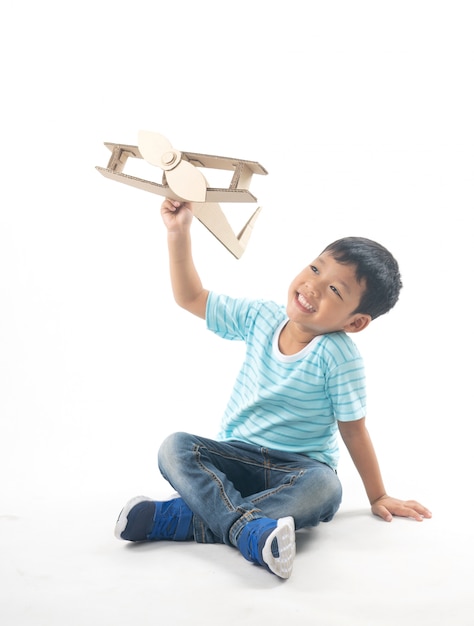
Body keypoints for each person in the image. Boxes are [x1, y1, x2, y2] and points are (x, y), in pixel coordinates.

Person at [115, 198, 431, 580]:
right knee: (175, 447)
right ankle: (249, 530)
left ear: (356, 322)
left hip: (299, 470)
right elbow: (190, 297)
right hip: (235, 456)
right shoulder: (260, 317)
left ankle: (185, 519)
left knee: (327, 488)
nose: (312, 286)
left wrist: (378, 495)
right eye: (315, 268)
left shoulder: (339, 357)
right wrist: (178, 232)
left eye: (334, 289)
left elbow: (353, 430)